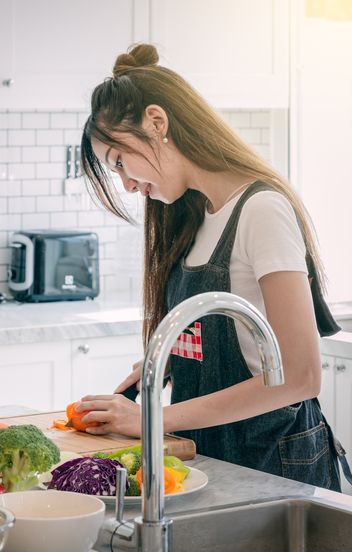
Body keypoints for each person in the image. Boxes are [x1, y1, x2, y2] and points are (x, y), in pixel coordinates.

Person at [75, 43, 351, 490]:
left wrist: (149, 419)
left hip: (276, 468)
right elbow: (229, 331)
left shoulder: (261, 210)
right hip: (212, 462)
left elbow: (300, 375)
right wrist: (165, 361)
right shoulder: (193, 215)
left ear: (157, 122)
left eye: (120, 162)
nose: (126, 184)